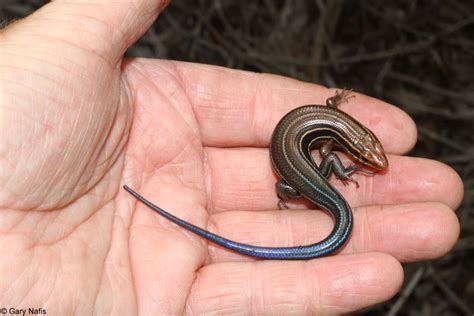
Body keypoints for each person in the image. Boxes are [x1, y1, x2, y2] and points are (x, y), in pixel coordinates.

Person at [0, 1, 462, 314]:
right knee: (316, 197)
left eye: (370, 153)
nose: (374, 158)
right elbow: (326, 138)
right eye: (369, 154)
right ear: (355, 143)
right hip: (298, 174)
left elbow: (328, 117)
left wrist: (309, 178)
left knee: (308, 194)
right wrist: (325, 176)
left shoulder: (330, 123)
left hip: (295, 170)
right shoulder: (330, 141)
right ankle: (316, 204)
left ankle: (311, 202)